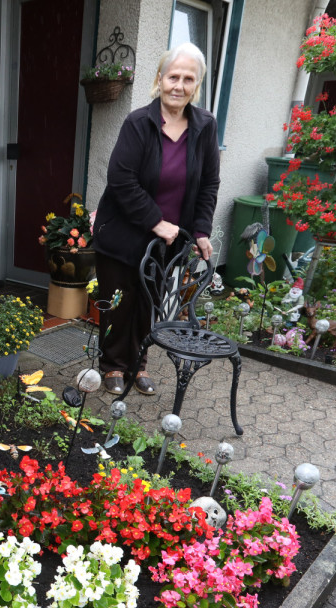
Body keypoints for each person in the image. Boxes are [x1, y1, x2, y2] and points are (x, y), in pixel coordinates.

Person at [91, 42, 221, 395]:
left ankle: (139, 363)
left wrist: (201, 230)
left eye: (188, 79)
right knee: (120, 301)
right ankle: (113, 366)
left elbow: (209, 182)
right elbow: (121, 180)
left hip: (168, 242)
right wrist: (156, 221)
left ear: (197, 85)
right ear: (160, 80)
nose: (179, 85)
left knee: (151, 303)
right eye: (173, 76)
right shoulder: (138, 123)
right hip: (123, 234)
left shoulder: (204, 126)